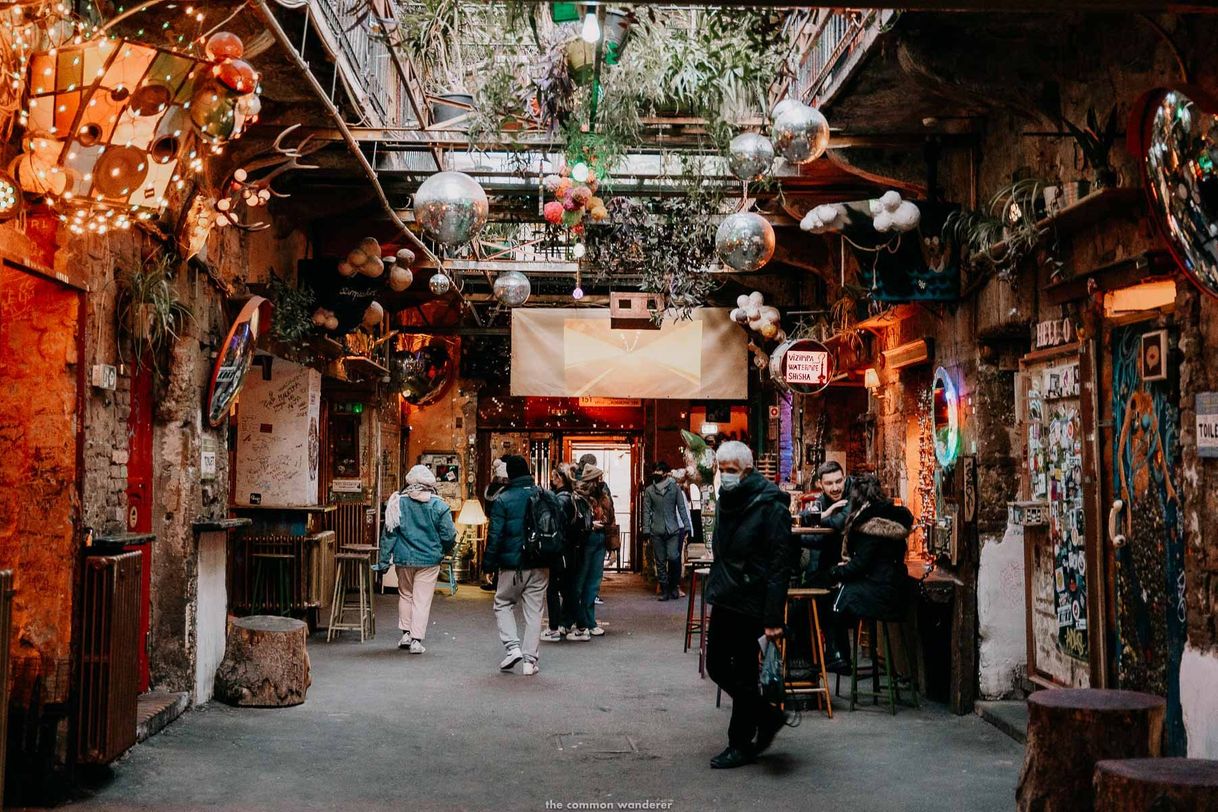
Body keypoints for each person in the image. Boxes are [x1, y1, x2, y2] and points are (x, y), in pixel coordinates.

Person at [703, 441, 793, 769]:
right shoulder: (728, 499)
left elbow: (780, 565)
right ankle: (767, 717)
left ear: (747, 471)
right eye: (721, 469)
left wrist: (773, 617)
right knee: (716, 665)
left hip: (751, 601)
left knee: (741, 672)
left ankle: (739, 743)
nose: (724, 476)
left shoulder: (771, 507)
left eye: (731, 471)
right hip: (726, 596)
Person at [374, 465, 457, 654]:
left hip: (404, 559)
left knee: (405, 595)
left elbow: (389, 534)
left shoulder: (397, 502)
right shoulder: (439, 505)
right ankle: (416, 640)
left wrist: (384, 560)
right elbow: (449, 535)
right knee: (422, 599)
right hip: (429, 560)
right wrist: (442, 550)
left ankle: (405, 634)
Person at [817, 474, 915, 628]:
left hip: (880, 594)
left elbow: (860, 565)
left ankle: (837, 652)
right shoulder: (892, 517)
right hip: (896, 590)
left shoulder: (868, 523)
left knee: (834, 604)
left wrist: (833, 572)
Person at [483, 454, 548, 676]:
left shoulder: (503, 499)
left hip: (511, 564)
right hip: (540, 562)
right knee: (534, 611)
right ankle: (530, 661)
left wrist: (489, 566)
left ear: (509, 474)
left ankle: (512, 648)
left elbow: (495, 536)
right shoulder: (543, 495)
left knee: (503, 603)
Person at [797, 461, 853, 672]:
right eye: (829, 483)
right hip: (831, 567)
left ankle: (818, 658)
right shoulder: (824, 501)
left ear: (845, 478)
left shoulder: (852, 497)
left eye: (839, 481)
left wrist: (819, 518)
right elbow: (804, 519)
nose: (835, 487)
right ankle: (832, 655)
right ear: (821, 484)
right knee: (809, 593)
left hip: (852, 569)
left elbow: (839, 523)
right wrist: (825, 512)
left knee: (806, 600)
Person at [567, 465, 616, 640]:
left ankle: (588, 621)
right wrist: (590, 525)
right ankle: (579, 621)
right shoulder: (579, 495)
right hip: (585, 541)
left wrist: (613, 546)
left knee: (593, 582)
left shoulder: (603, 494)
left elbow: (611, 519)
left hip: (599, 540)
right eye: (598, 478)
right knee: (580, 582)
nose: (600, 481)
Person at [642, 460, 692, 601]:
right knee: (660, 561)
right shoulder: (649, 491)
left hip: (673, 529)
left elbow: (681, 508)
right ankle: (664, 589)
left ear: (665, 474)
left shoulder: (674, 488)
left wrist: (687, 526)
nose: (656, 473)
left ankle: (674, 586)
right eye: (655, 471)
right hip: (656, 530)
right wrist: (646, 529)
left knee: (674, 557)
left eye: (659, 471)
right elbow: (646, 511)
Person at [541, 464, 580, 642]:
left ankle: (555, 627)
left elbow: (557, 524)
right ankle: (569, 623)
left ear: (559, 478)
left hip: (560, 549)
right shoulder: (571, 497)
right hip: (570, 549)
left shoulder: (560, 499)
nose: (551, 479)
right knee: (567, 588)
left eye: (553, 476)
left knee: (554, 589)